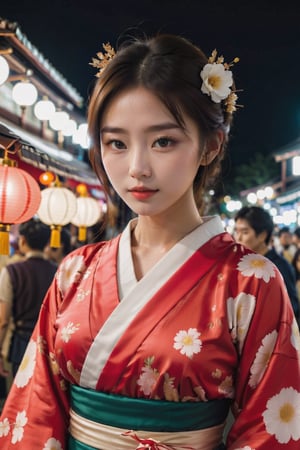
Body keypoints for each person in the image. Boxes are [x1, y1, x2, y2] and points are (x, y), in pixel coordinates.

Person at [0, 34, 300, 450]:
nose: (136, 168)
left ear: (211, 145)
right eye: (116, 143)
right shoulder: (75, 270)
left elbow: (269, 430)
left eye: (163, 141)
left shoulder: (252, 282)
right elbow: (34, 407)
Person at [0, 218, 57, 378]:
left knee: (18, 392)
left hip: (20, 343)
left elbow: (3, 320)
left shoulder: (12, 271)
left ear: (22, 240)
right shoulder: (57, 271)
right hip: (48, 344)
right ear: (47, 243)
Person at [234, 206, 300, 320]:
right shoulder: (242, 265)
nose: (238, 238)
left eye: (245, 232)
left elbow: (292, 307)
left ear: (262, 235)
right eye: (236, 231)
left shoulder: (279, 267)